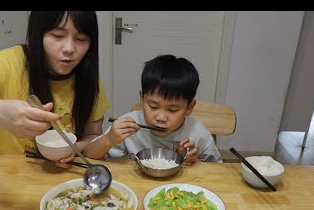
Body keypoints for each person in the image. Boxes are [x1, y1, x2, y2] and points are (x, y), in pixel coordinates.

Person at [0, 11, 109, 165]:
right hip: (9, 175)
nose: (69, 49)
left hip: (66, 178)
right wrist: (4, 114)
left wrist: (75, 147)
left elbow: (93, 135)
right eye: (57, 35)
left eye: (81, 39)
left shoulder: (87, 76)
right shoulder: (9, 62)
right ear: (38, 33)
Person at [84, 54, 222, 163]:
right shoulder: (129, 123)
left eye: (173, 110)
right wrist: (110, 138)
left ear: (189, 108)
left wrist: (194, 161)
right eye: (153, 106)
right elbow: (88, 153)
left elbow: (217, 172)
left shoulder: (198, 133)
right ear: (142, 99)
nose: (161, 118)